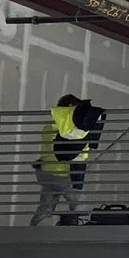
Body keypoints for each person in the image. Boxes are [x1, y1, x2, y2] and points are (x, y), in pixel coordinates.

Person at [30, 92, 106, 225]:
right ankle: (76, 229)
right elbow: (76, 150)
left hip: (46, 172)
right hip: (65, 174)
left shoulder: (50, 126)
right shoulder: (71, 129)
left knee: (47, 202)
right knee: (78, 202)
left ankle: (34, 226)